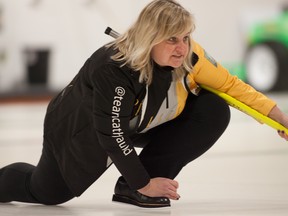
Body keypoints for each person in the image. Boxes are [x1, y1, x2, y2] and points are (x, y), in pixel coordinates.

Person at [0, 0, 288, 208]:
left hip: (139, 120)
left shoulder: (189, 55)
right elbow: (112, 134)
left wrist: (279, 118)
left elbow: (230, 86)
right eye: (172, 39)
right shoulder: (112, 68)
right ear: (150, 38)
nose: (182, 48)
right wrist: (145, 184)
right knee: (48, 193)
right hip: (82, 127)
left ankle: (131, 188)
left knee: (213, 109)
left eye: (186, 37)